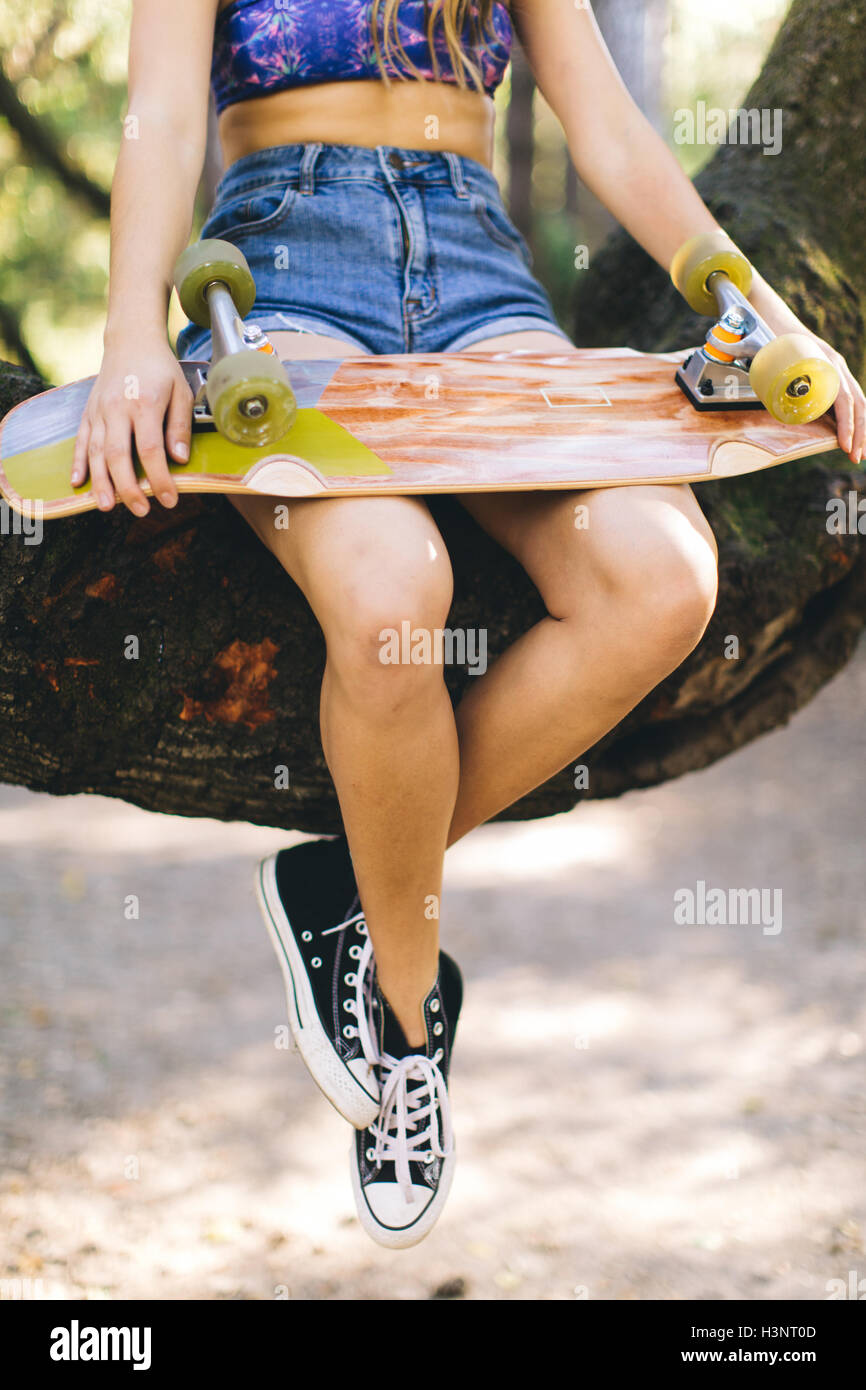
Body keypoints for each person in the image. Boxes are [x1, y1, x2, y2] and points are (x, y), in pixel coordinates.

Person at [71, 0, 865, 1249]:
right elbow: (161, 115)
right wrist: (128, 339)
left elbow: (599, 116)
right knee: (393, 595)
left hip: (479, 288)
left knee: (661, 580)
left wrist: (755, 306)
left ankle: (352, 877)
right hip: (278, 286)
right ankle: (400, 1017)